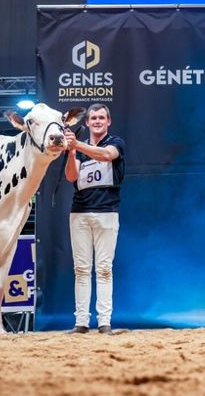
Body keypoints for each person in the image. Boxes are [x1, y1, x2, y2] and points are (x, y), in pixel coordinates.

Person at [64, 103, 125, 335]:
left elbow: (108, 156)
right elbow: (72, 176)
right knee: (81, 269)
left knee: (104, 269)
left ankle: (104, 322)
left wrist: (76, 144)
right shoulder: (78, 149)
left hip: (107, 212)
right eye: (93, 118)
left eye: (102, 118)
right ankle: (81, 322)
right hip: (79, 212)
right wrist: (71, 152)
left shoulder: (116, 142)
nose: (98, 121)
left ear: (108, 122)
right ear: (87, 122)